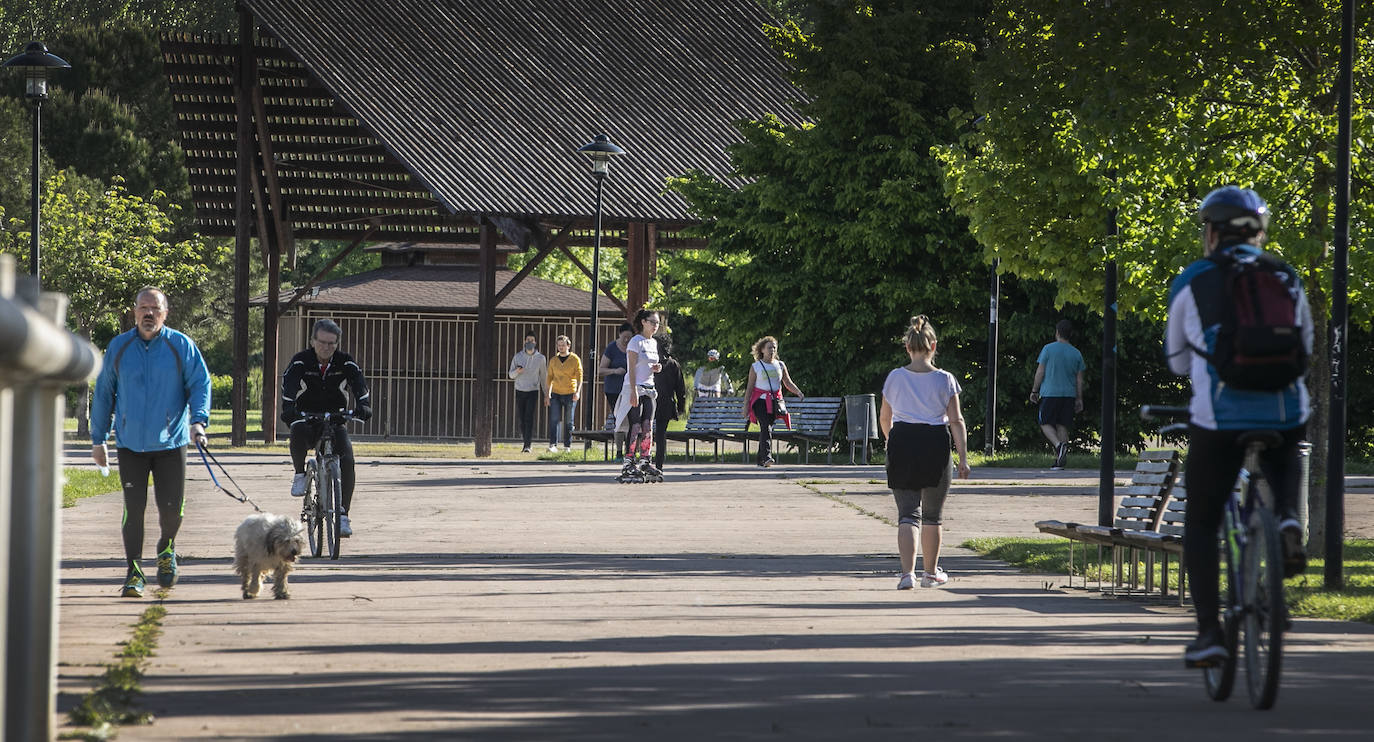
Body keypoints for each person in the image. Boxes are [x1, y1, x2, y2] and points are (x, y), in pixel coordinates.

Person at [1165, 185, 1312, 668]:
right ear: (1260, 233)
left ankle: (1210, 633)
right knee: (1287, 449)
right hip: (1285, 408)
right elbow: (1304, 348)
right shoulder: (1285, 276)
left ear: (1210, 232)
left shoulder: (1193, 279)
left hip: (1220, 416)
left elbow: (1178, 361)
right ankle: (1288, 516)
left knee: (1203, 521)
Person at [90, 286, 212, 598]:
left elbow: (200, 383)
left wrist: (198, 421)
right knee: (134, 509)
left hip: (171, 443)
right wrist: (98, 439)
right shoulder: (119, 347)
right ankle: (134, 573)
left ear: (165, 314)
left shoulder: (180, 345)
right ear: (134, 312)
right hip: (130, 444)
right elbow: (104, 394)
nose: (148, 314)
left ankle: (166, 547)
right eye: (143, 308)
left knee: (173, 510)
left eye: (154, 309)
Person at [879, 315, 971, 590]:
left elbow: (885, 417)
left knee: (907, 513)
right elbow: (956, 421)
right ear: (933, 345)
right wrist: (963, 458)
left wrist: (890, 442)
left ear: (908, 347)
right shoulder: (945, 380)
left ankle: (907, 574)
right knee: (932, 514)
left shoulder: (894, 377)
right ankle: (930, 573)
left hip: (902, 440)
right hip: (934, 443)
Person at [283, 318, 373, 538]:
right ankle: (300, 474)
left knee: (348, 460)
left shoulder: (345, 362)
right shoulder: (300, 362)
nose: (327, 347)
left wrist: (363, 405)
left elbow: (359, 384)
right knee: (297, 430)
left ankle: (342, 515)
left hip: (335, 418)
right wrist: (289, 408)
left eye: (332, 343)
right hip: (307, 417)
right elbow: (290, 387)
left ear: (337, 343)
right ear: (313, 341)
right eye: (322, 342)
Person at [1029, 319, 1085, 470]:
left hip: (1050, 393)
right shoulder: (1077, 353)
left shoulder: (1048, 349)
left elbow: (1040, 371)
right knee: (1062, 424)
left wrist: (1035, 390)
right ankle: (1060, 460)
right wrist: (1079, 398)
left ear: (1057, 332)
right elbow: (1079, 380)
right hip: (1069, 394)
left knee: (1044, 422)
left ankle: (1059, 446)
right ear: (1070, 334)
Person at [614, 309, 663, 481]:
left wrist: (657, 368)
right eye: (652, 322)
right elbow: (632, 367)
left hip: (649, 387)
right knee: (634, 425)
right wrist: (633, 389)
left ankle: (645, 459)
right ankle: (629, 461)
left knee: (647, 425)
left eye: (657, 323)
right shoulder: (636, 341)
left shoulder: (653, 343)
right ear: (643, 322)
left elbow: (651, 364)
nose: (655, 326)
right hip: (634, 386)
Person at [743, 336, 803, 467]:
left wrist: (797, 391)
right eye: (769, 347)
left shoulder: (780, 365)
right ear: (762, 350)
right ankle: (767, 457)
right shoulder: (756, 366)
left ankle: (760, 459)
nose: (772, 350)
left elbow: (787, 382)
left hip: (775, 402)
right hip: (760, 402)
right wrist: (746, 406)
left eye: (774, 347)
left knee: (766, 429)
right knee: (765, 426)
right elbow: (750, 387)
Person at [651, 331, 688, 471]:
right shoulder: (673, 364)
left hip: (650, 401)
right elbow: (680, 388)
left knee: (647, 432)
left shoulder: (650, 363)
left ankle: (645, 460)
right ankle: (659, 464)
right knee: (661, 434)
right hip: (666, 403)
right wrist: (681, 406)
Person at [507, 330, 548, 453]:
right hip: (520, 390)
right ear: (524, 341)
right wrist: (517, 372)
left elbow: (543, 376)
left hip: (533, 390)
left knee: (529, 417)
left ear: (535, 342)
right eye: (527, 340)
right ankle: (525, 441)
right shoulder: (518, 356)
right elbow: (510, 375)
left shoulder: (541, 358)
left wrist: (546, 393)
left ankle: (527, 445)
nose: (530, 342)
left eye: (532, 340)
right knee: (522, 417)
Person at [598, 322, 634, 456]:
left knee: (631, 419)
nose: (626, 340)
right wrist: (614, 371)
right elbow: (600, 370)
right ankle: (619, 451)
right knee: (619, 419)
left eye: (629, 337)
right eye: (624, 337)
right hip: (613, 390)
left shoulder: (633, 348)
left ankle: (629, 450)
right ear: (619, 335)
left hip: (630, 389)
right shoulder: (612, 348)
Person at [545, 334, 583, 453]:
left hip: (570, 392)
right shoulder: (553, 360)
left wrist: (577, 392)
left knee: (568, 420)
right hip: (556, 392)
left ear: (568, 346)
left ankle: (567, 446)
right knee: (554, 419)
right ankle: (553, 444)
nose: (561, 347)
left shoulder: (574, 359)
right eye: (559, 345)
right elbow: (549, 378)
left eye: (563, 345)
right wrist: (548, 394)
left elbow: (579, 377)